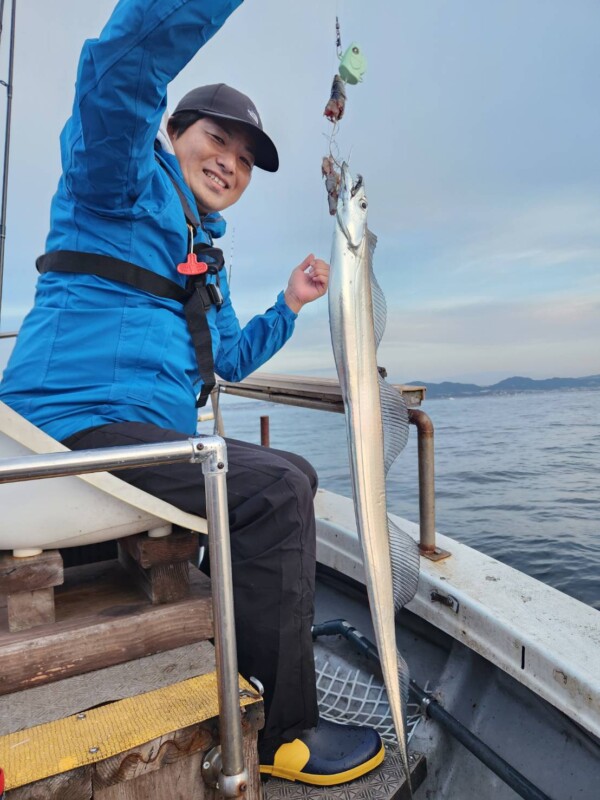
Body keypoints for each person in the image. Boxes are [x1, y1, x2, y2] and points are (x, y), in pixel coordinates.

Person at [0, 0, 384, 787]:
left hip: (143, 437)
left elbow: (231, 357)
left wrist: (290, 304)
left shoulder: (206, 255)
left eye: (245, 159)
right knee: (275, 489)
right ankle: (286, 732)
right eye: (217, 139)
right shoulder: (116, 177)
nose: (230, 163)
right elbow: (121, 68)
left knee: (296, 476)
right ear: (172, 132)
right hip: (71, 428)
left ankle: (246, 648)